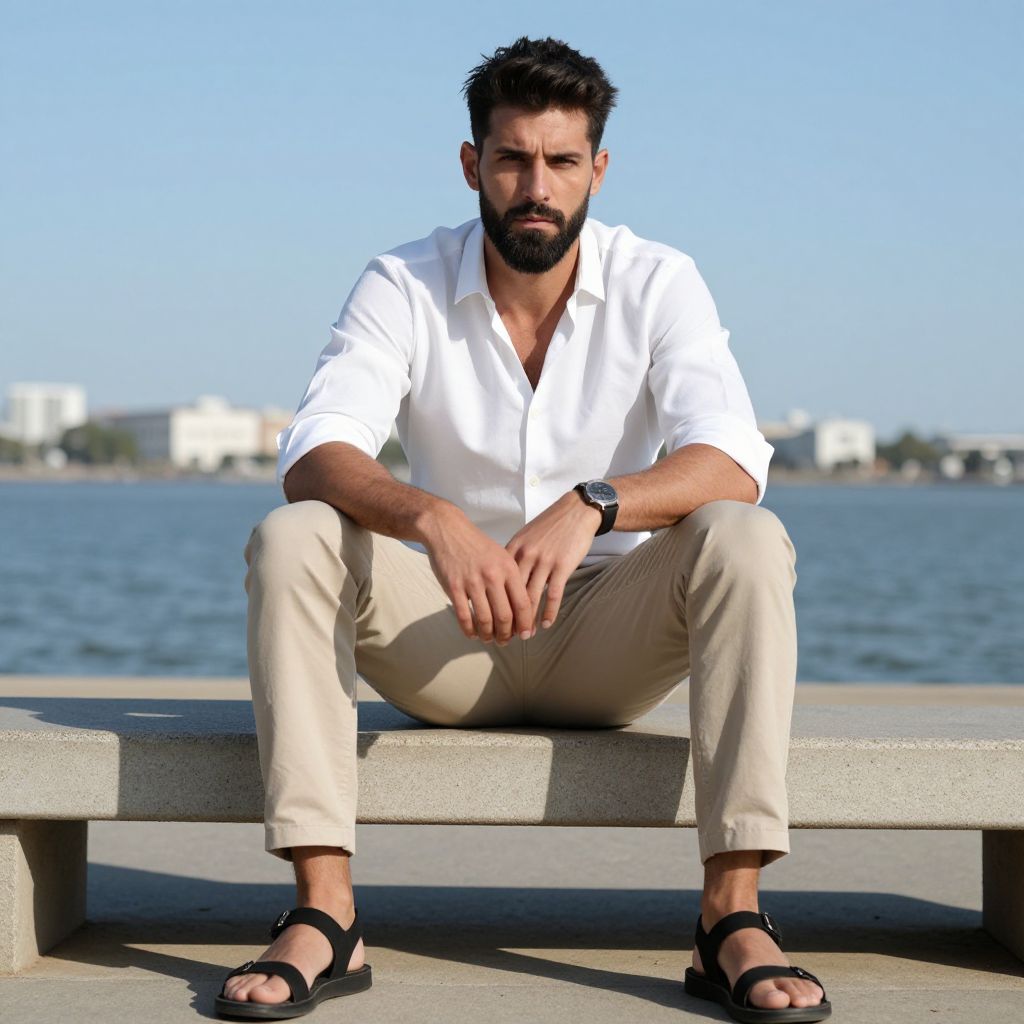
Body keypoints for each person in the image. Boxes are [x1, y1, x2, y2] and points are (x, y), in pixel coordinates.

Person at [216, 36, 830, 1024]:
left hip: (605, 636)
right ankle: (324, 913)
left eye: (559, 160)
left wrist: (596, 501)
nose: (534, 185)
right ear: (473, 166)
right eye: (510, 160)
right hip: (448, 641)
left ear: (597, 166)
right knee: (294, 535)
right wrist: (432, 517)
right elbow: (314, 447)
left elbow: (733, 457)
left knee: (745, 536)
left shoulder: (656, 279)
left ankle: (731, 917)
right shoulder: (402, 280)